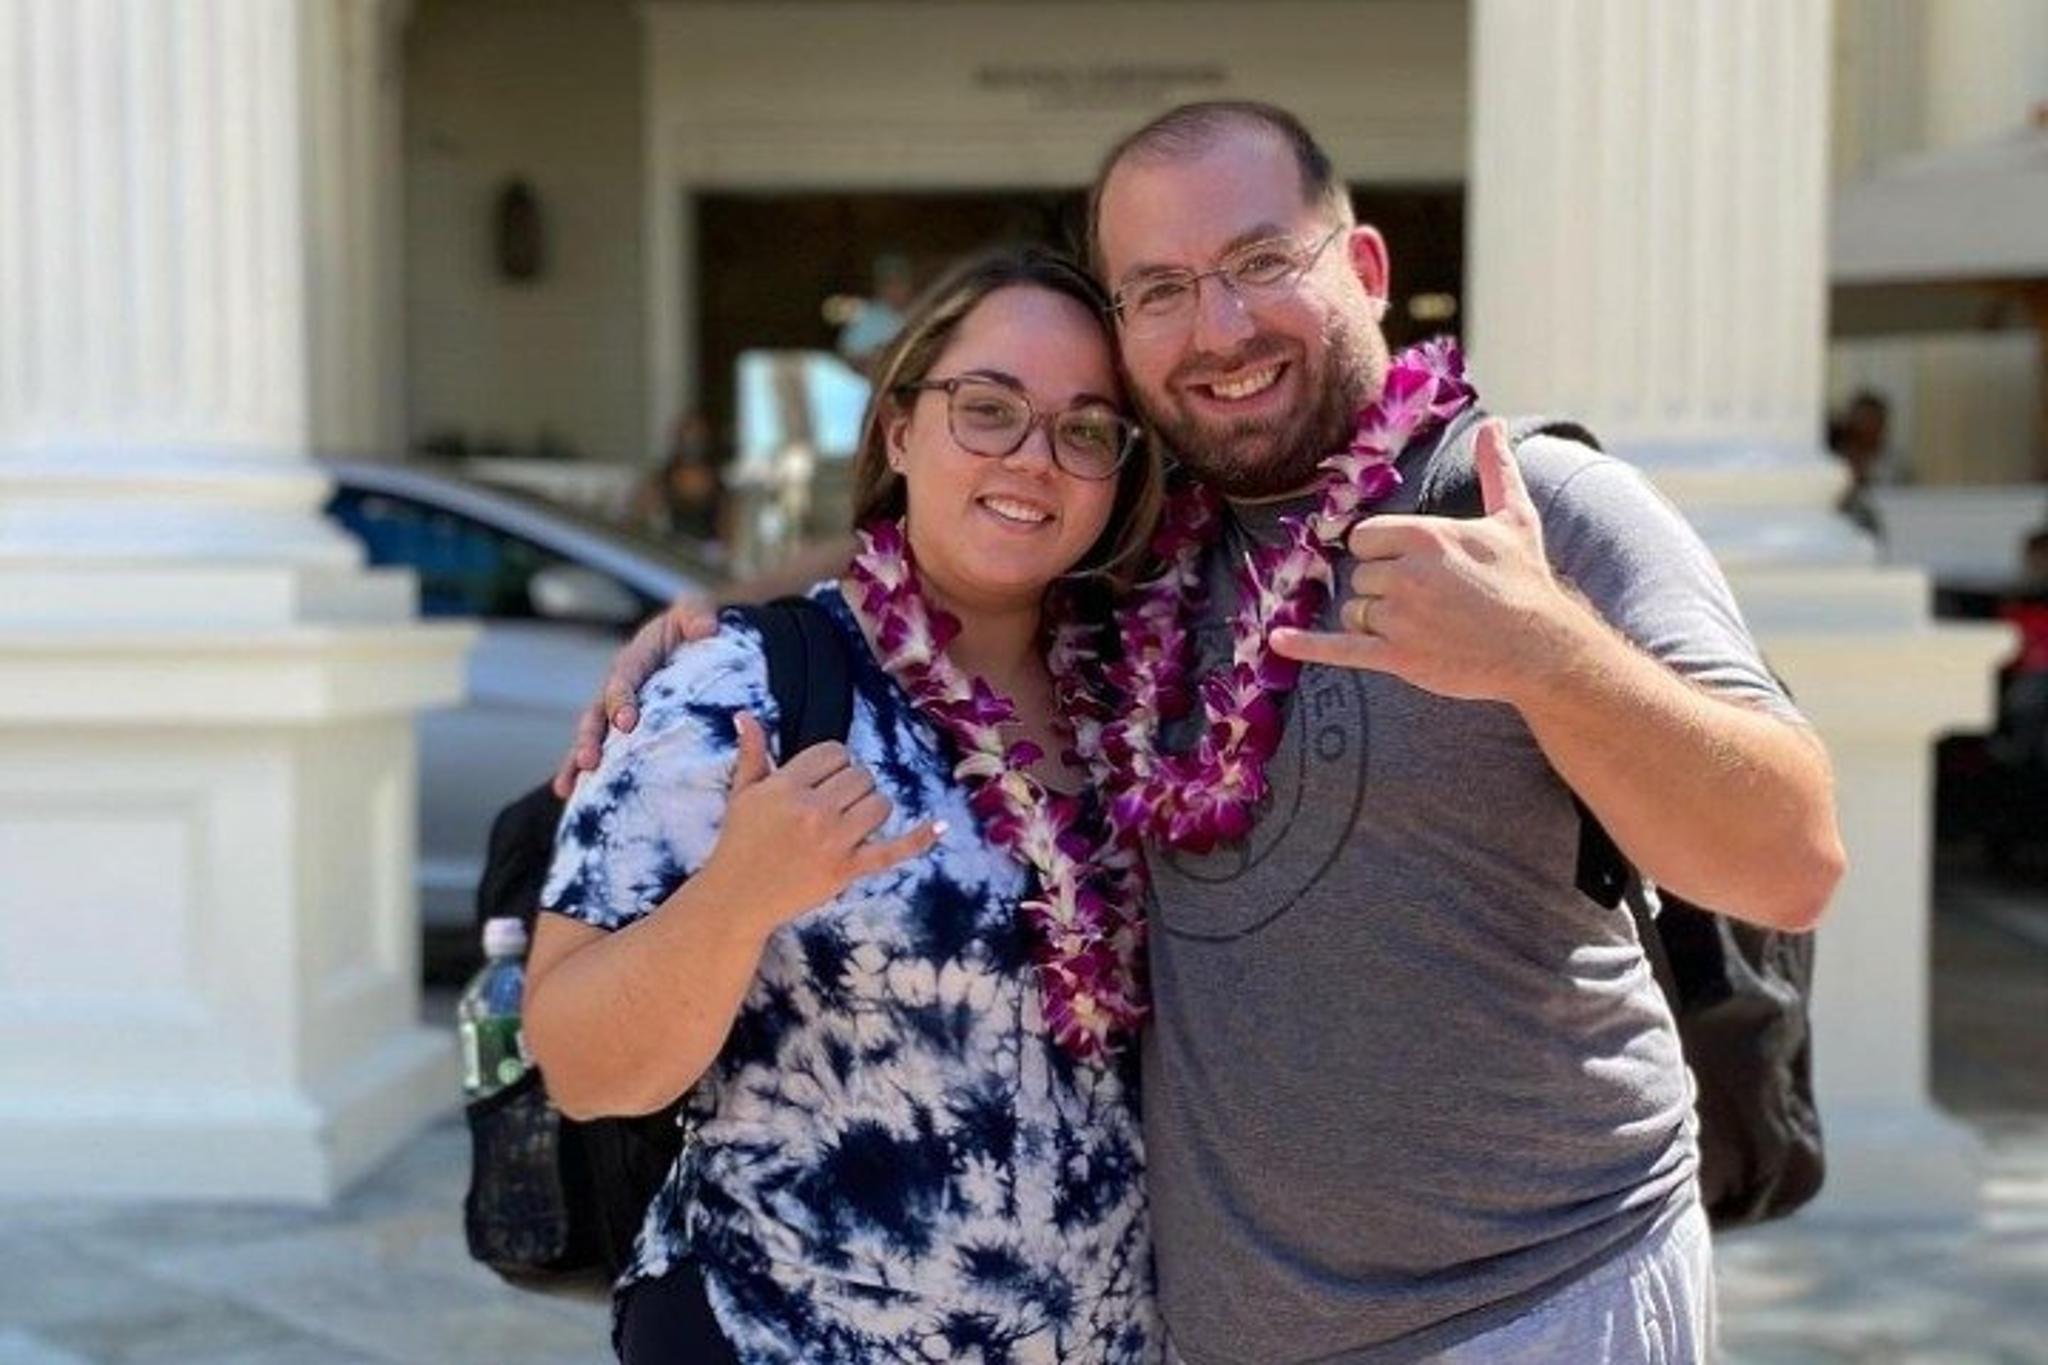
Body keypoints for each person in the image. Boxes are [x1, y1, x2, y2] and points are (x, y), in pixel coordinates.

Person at [558, 102, 1845, 1364]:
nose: (1216, 327)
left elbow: (1791, 857)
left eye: (1257, 262)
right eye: (1158, 288)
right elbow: (975, 511)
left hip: (1534, 1305)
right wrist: (708, 623)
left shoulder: (1534, 507)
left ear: (1364, 269)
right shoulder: (1143, 583)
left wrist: (1543, 655)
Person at [527, 246, 1165, 1364]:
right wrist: (737, 897)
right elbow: (580, 1068)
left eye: (1084, 428)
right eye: (986, 409)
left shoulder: (1145, 703)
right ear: (897, 430)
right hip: (782, 1331)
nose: (1033, 457)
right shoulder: (740, 691)